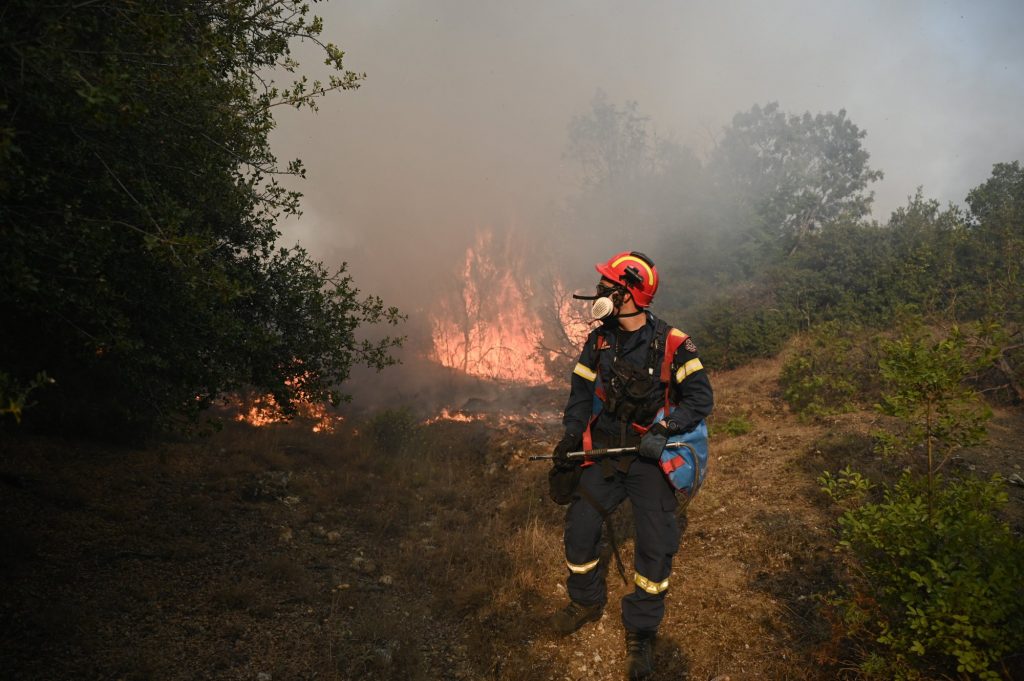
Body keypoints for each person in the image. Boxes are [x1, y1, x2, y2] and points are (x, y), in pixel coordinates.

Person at [549, 251, 714, 681]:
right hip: (605, 452)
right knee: (580, 527)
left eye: (606, 286)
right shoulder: (598, 341)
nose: (598, 292)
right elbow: (580, 395)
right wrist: (570, 437)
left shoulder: (674, 343)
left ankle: (641, 630)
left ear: (629, 293)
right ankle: (585, 601)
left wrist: (666, 427)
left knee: (656, 543)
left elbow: (701, 398)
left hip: (648, 457)